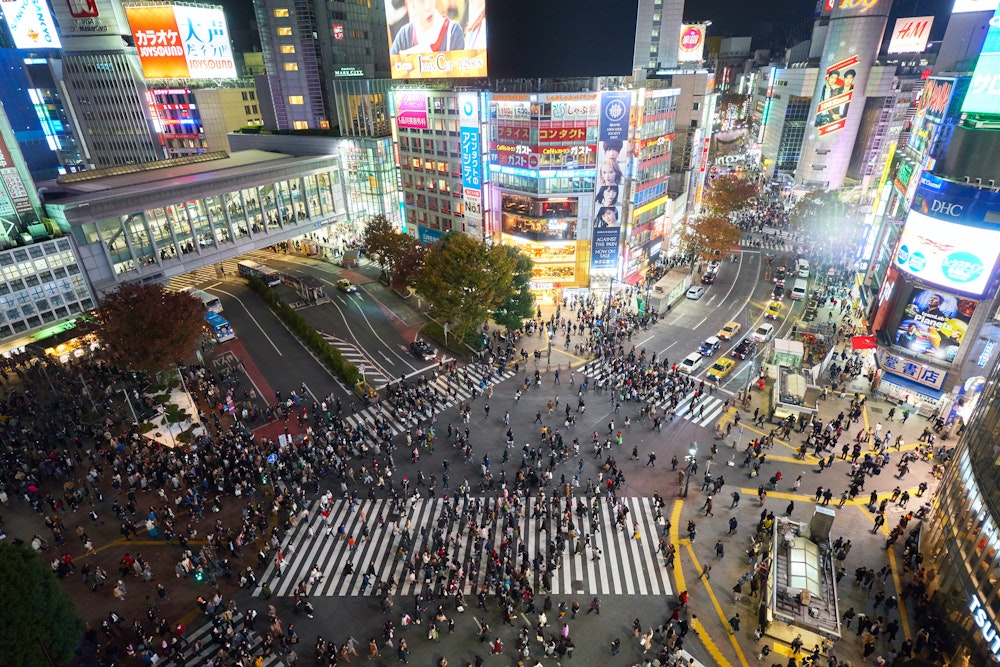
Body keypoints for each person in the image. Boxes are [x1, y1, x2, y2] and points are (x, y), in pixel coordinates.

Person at [390, 0, 466, 55]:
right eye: (421, 1)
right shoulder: (405, 35)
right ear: (412, 2)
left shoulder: (453, 32)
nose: (428, 7)